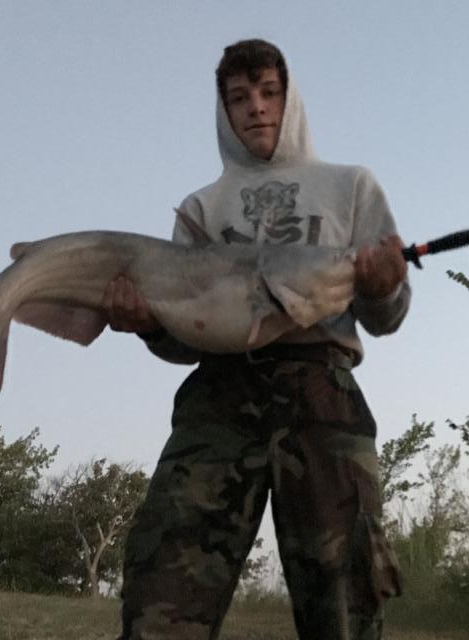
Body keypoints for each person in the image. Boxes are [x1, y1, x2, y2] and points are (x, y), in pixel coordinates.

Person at [107, 39, 410, 640]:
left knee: (345, 598)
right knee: (162, 589)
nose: (257, 108)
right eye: (239, 97)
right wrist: (148, 324)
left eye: (270, 92)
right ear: (223, 109)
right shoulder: (200, 208)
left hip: (323, 389)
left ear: (289, 98)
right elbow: (185, 339)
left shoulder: (353, 186)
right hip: (218, 394)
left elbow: (387, 315)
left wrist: (383, 288)